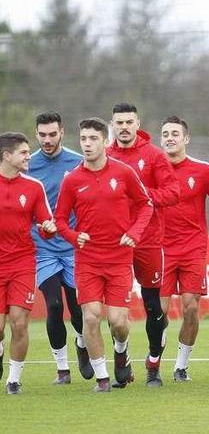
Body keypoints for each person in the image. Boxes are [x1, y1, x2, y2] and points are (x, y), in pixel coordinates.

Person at [54, 118, 153, 392]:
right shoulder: (72, 180)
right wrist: (74, 236)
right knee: (90, 316)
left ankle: (121, 350)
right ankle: (102, 378)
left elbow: (146, 205)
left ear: (104, 141)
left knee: (118, 322)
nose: (87, 144)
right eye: (83, 139)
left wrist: (134, 232)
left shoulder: (123, 173)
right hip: (87, 260)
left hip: (119, 259)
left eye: (93, 139)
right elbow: (60, 220)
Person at [107, 103, 180, 387]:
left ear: (138, 123)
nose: (124, 127)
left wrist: (141, 194)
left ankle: (153, 364)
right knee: (115, 311)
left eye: (129, 122)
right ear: (113, 125)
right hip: (114, 243)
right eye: (119, 123)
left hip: (149, 241)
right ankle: (121, 359)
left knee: (153, 306)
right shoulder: (106, 155)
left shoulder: (154, 156)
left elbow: (173, 193)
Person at [159, 116, 209, 382]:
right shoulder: (152, 171)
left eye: (175, 133)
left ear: (186, 139)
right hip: (160, 250)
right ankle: (154, 358)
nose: (170, 137)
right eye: (165, 133)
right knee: (158, 311)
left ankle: (181, 366)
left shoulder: (202, 170)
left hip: (192, 248)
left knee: (191, 308)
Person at [28, 112, 91, 384]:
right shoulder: (27, 165)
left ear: (62, 133)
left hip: (72, 248)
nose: (47, 140)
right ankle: (62, 369)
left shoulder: (78, 163)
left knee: (78, 309)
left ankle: (82, 343)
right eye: (42, 135)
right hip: (43, 250)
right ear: (36, 134)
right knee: (53, 305)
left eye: (52, 134)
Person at [0, 132, 56, 394]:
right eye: (23, 152)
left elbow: (47, 224)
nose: (28, 156)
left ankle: (13, 380)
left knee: (19, 323)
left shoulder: (34, 187)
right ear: (6, 156)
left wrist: (47, 227)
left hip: (23, 262)